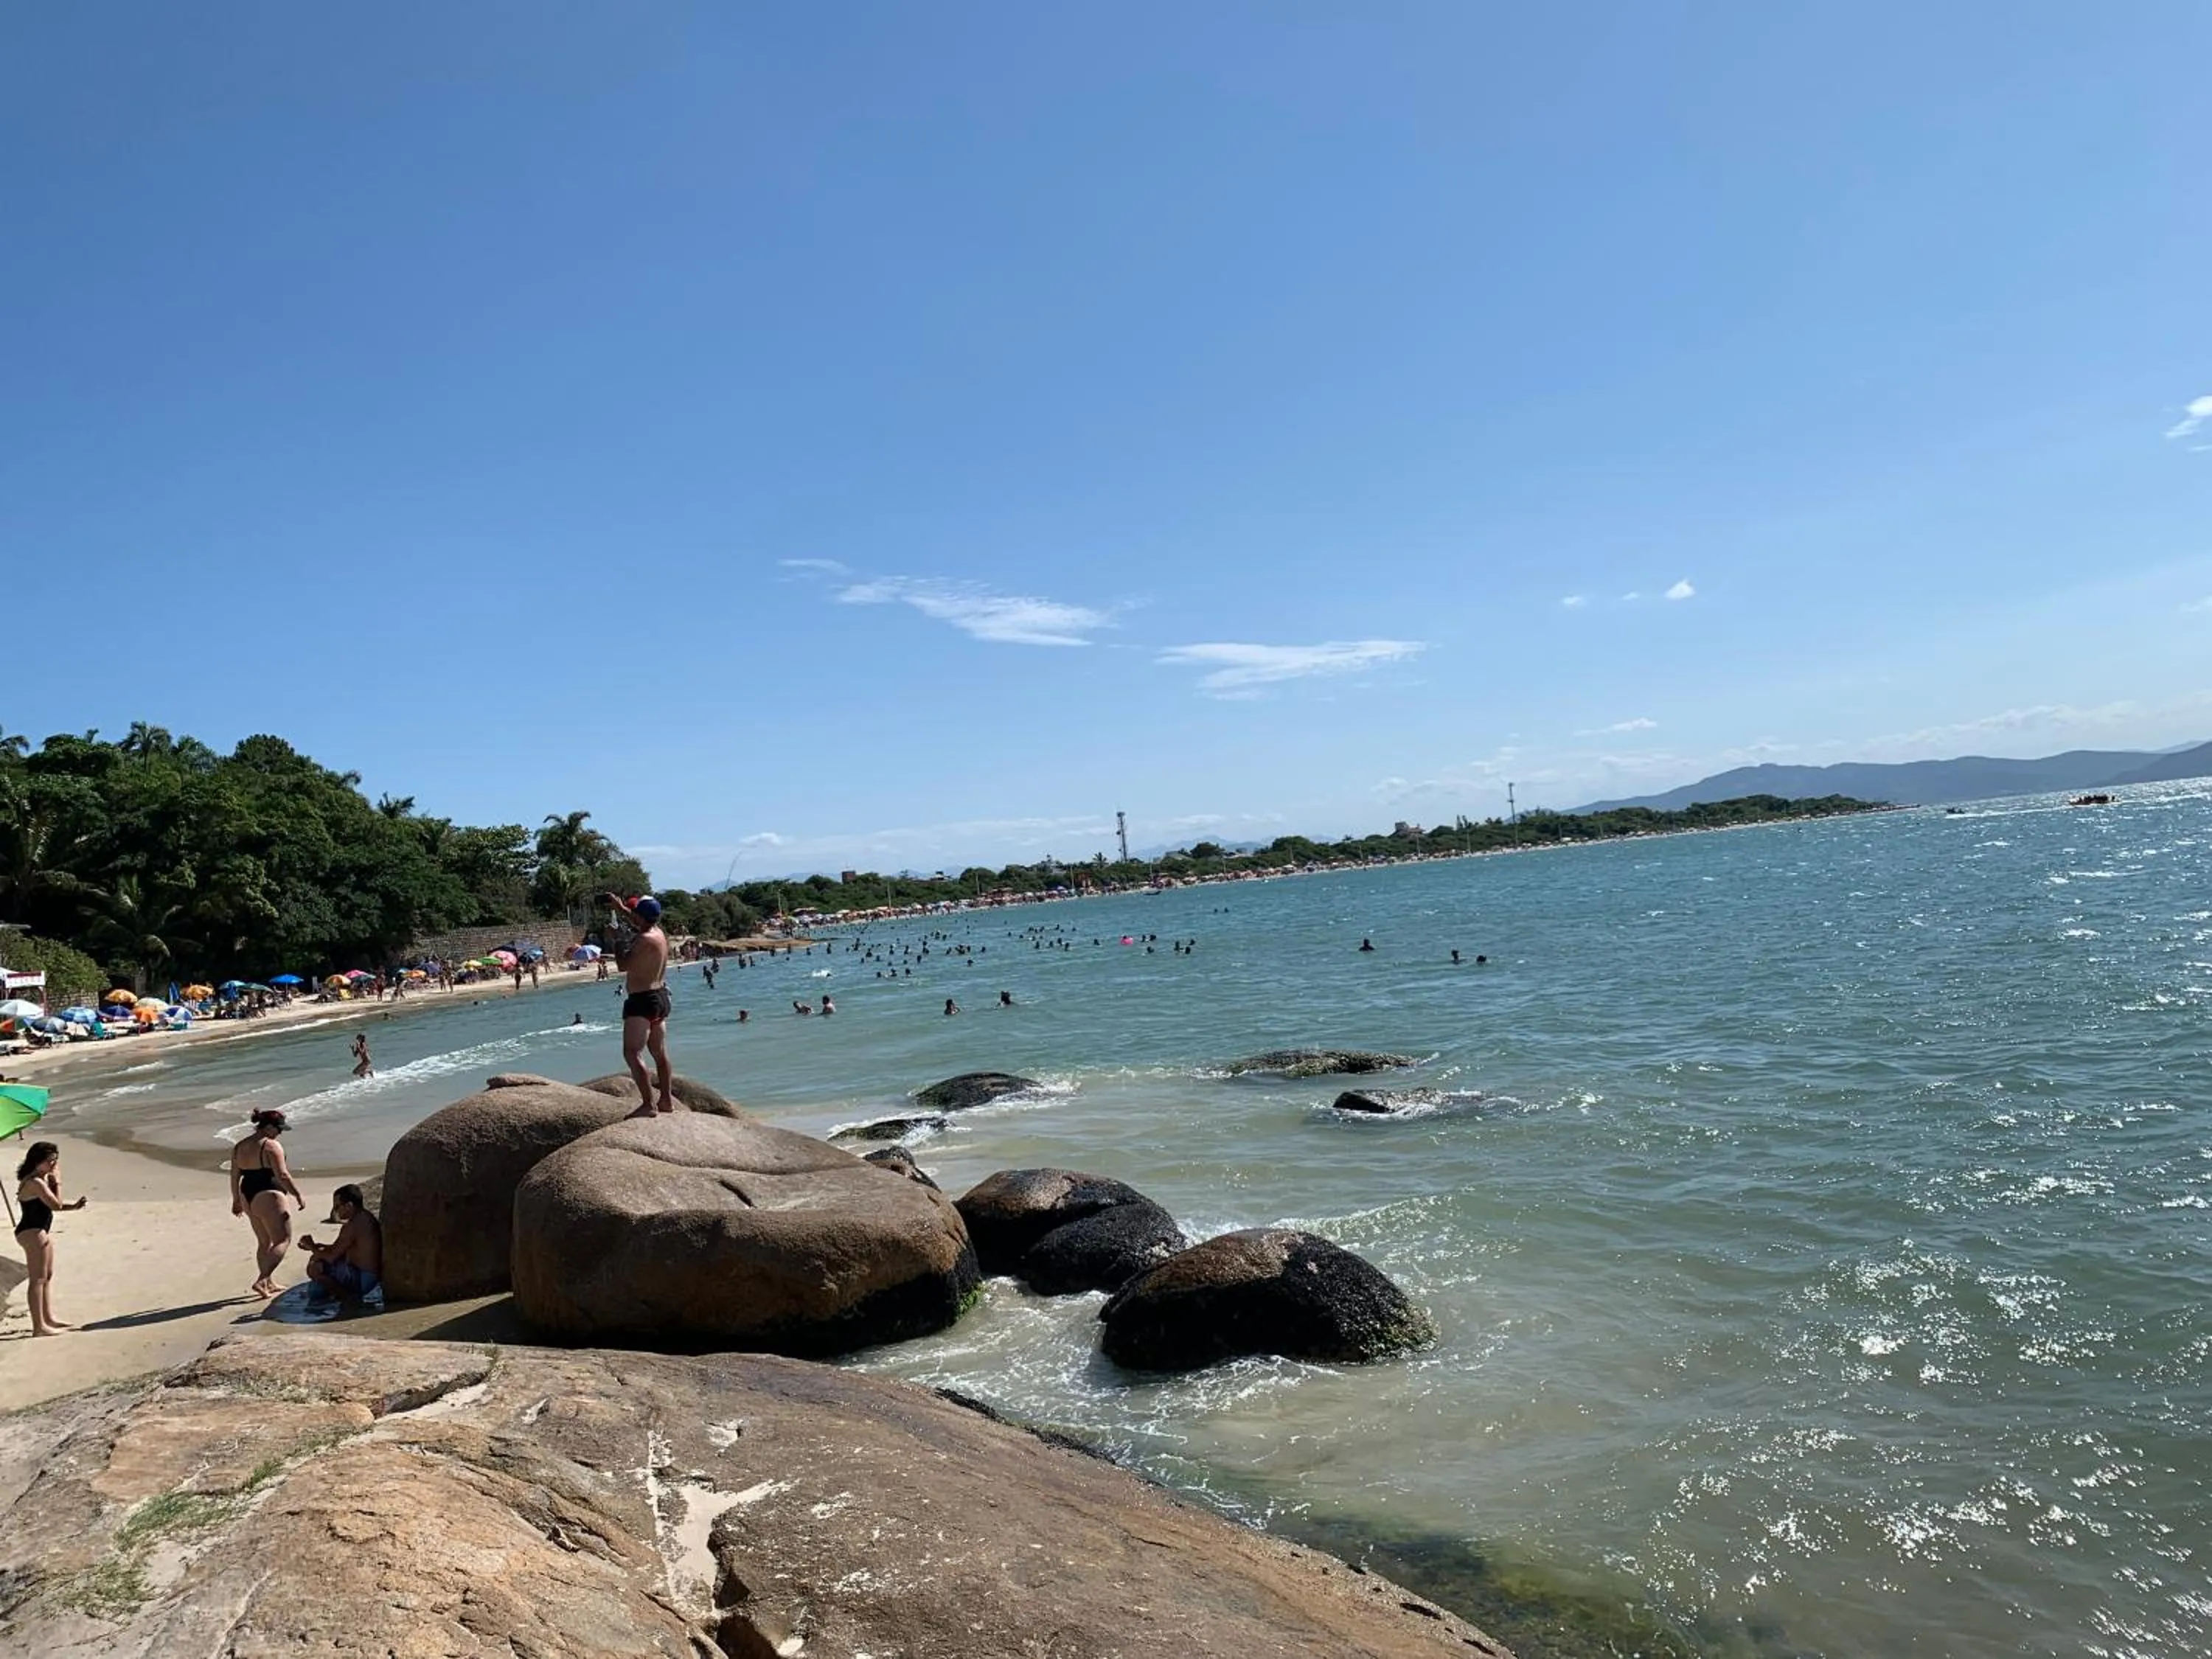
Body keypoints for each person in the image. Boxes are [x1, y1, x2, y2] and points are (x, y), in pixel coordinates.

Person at [607, 893, 674, 1118]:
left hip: (642, 1001)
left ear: (640, 916)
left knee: (632, 1052)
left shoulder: (643, 940)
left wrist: (616, 939)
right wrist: (620, 908)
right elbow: (639, 921)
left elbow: (623, 965)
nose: (632, 916)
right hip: (660, 997)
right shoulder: (658, 933)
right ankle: (666, 1101)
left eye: (634, 913)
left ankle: (649, 1105)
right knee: (659, 1053)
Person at [14, 1141, 85, 1337]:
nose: (53, 1165)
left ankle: (48, 1318)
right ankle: (39, 1326)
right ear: (37, 1162)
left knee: (47, 1275)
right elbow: (55, 1205)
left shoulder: (41, 1179)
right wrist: (58, 1182)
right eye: (49, 1161)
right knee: (37, 1278)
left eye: (55, 1160)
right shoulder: (35, 1182)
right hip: (31, 1232)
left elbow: (55, 1206)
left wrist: (75, 1206)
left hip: (41, 1230)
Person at [232, 1109, 304, 1298]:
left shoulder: (240, 1146)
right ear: (269, 1127)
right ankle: (262, 1279)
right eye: (278, 1129)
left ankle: (268, 1284)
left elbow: (234, 1176)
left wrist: (236, 1200)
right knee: (283, 1239)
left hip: (247, 1193)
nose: (280, 1133)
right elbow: (283, 1175)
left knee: (264, 1242)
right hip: (269, 1194)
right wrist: (297, 1194)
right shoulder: (271, 1146)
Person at [300, 1183, 383, 1307]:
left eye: (337, 1207)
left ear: (349, 1206)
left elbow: (331, 1257)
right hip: (366, 1274)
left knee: (315, 1268)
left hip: (362, 1278)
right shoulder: (363, 1218)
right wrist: (317, 1246)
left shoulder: (353, 1225)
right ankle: (336, 1293)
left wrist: (312, 1247)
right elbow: (339, 1249)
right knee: (317, 1264)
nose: (335, 1211)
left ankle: (346, 1298)